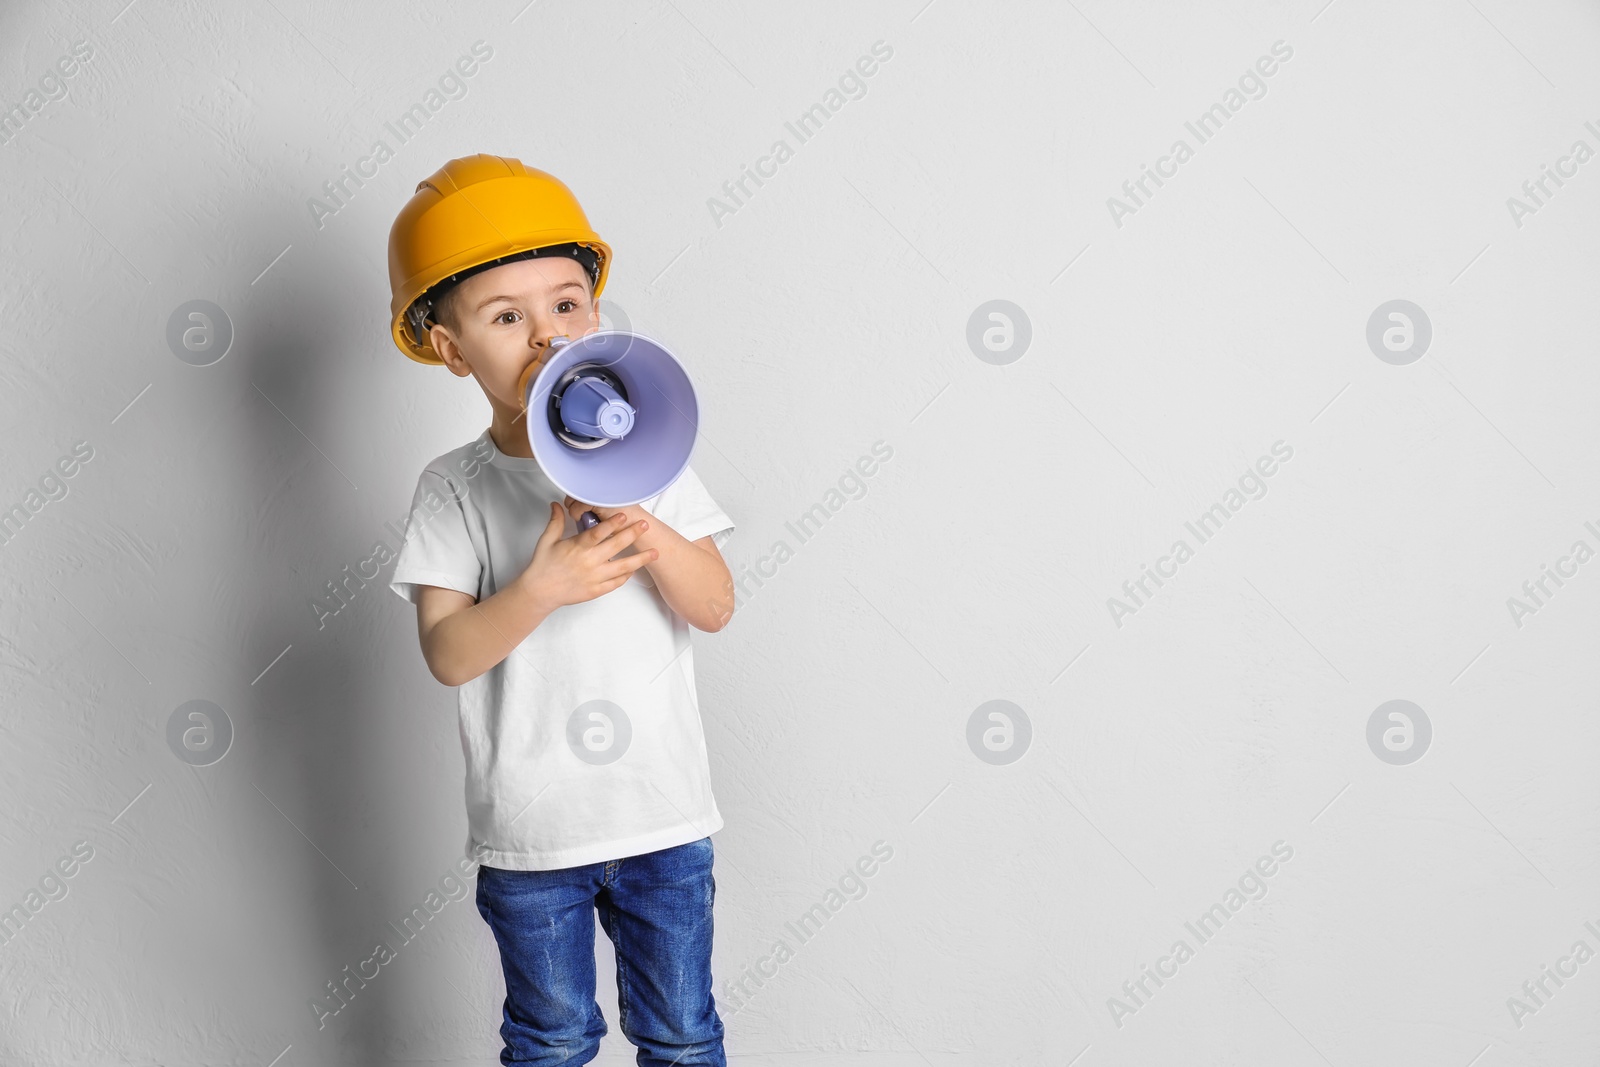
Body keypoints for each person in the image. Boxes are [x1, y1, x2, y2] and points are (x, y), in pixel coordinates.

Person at [384, 153, 735, 1066]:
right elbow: (449, 655)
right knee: (550, 1038)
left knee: (683, 1033)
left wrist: (648, 526)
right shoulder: (452, 489)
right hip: (533, 837)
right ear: (452, 349)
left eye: (567, 302)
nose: (547, 334)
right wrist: (541, 587)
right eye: (507, 317)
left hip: (663, 817)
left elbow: (716, 604)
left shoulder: (652, 457)